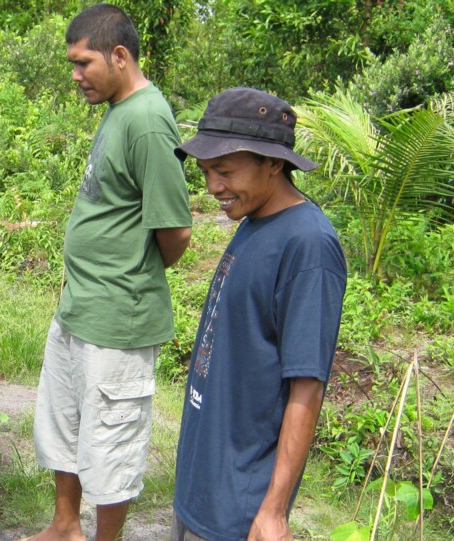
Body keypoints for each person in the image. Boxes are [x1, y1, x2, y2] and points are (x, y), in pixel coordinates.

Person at [26, 4, 193, 541]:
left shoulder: (147, 119)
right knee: (65, 423)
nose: (75, 76)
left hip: (117, 318)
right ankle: (64, 525)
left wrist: (128, 275)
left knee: (111, 445)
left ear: (119, 56)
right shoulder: (118, 109)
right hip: (80, 306)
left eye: (82, 64)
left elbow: (176, 232)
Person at [171, 87, 347, 541]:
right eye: (207, 171)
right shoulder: (255, 221)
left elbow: (307, 384)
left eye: (225, 171)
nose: (213, 187)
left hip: (241, 509)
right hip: (205, 487)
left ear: (274, 163)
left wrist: (273, 512)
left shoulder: (308, 245)